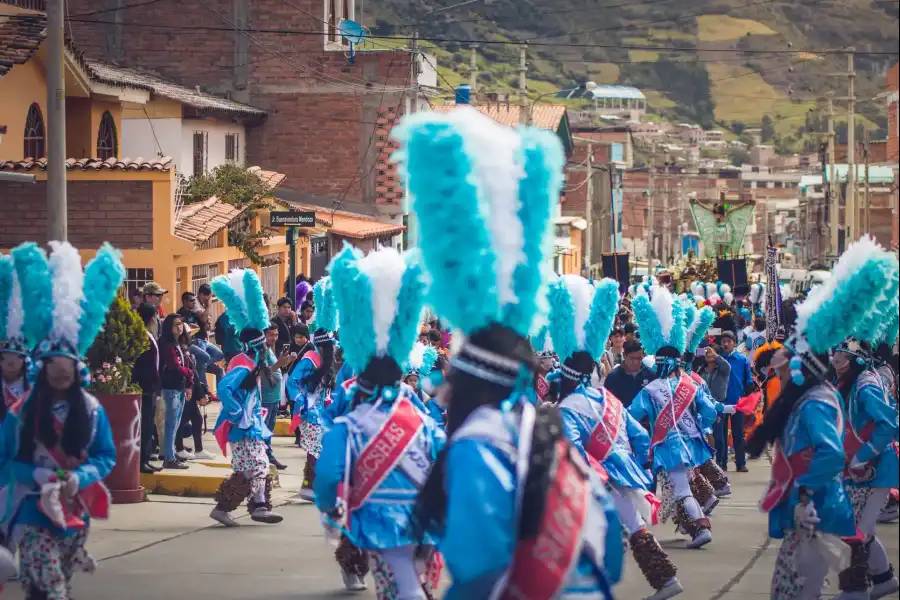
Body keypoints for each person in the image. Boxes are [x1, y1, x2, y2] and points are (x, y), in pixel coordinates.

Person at [396, 106, 623, 599]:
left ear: (473, 380)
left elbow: (475, 561)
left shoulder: (479, 442)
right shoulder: (542, 424)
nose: (444, 384)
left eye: (452, 374)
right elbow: (607, 537)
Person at [317, 245, 445, 597]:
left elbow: (329, 476)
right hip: (427, 524)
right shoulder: (421, 415)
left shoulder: (353, 424)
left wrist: (331, 510)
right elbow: (445, 458)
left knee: (400, 591)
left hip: (382, 526)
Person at [1, 241, 124, 599]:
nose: (59, 373)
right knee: (52, 587)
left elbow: (105, 457)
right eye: (52, 367)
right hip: (29, 508)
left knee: (55, 585)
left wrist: (79, 476)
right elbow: (4, 460)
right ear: (41, 370)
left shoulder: (91, 410)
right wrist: (34, 474)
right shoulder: (20, 411)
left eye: (65, 367)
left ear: (77, 371)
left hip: (74, 509)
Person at [550, 275, 682, 600]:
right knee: (632, 524)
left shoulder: (568, 407)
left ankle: (602, 586)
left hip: (598, 480)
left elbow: (571, 452)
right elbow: (638, 435)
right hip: (621, 469)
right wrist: (641, 464)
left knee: (596, 532)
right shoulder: (604, 397)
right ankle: (662, 579)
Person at [628, 285, 736, 549]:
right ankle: (700, 510)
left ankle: (700, 526)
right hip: (691, 444)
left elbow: (631, 414)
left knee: (681, 490)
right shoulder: (690, 383)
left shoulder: (650, 390)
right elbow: (710, 409)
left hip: (669, 447)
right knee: (684, 485)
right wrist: (704, 423)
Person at [208, 269, 284, 527]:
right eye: (262, 345)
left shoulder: (251, 364)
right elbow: (225, 390)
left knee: (246, 469)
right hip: (243, 427)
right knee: (259, 464)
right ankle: (260, 507)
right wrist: (238, 414)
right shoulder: (241, 365)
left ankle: (224, 508)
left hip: (252, 425)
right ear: (254, 346)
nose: (266, 348)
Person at [832, 338, 899, 598]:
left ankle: (856, 588)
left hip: (878, 468)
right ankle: (884, 580)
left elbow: (888, 425)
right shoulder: (848, 385)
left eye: (840, 362)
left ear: (854, 362)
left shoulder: (865, 387)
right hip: (856, 468)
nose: (835, 366)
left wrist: (863, 455)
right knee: (858, 527)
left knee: (857, 530)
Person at [286, 278, 337, 502]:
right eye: (330, 348)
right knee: (315, 448)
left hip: (322, 411)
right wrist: (302, 402)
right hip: (309, 410)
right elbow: (291, 382)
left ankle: (311, 485)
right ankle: (309, 485)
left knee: (321, 448)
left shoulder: (329, 364)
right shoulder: (309, 359)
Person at [158, 314, 194, 470]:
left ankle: (171, 455)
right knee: (170, 425)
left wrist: (188, 384)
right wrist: (189, 373)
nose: (179, 327)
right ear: (168, 327)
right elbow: (173, 365)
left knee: (175, 424)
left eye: (181, 323)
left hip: (179, 386)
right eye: (176, 325)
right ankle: (169, 458)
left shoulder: (178, 342)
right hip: (170, 387)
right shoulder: (166, 344)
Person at [716, 331, 754, 472]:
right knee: (721, 435)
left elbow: (748, 380)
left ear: (735, 343)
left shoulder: (742, 360)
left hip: (737, 402)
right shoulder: (718, 360)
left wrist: (747, 394)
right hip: (721, 402)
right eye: (723, 341)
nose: (726, 344)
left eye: (729, 341)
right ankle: (722, 463)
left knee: (738, 434)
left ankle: (741, 463)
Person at [133, 303, 162, 474]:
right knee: (144, 426)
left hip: (151, 386)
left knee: (149, 425)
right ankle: (141, 461)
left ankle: (145, 458)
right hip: (145, 387)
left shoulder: (148, 334)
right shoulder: (142, 336)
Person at [261, 321, 294, 471]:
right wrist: (279, 363)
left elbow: (277, 369)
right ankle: (265, 456)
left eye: (276, 335)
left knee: (269, 428)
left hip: (274, 396)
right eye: (271, 335)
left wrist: (286, 361)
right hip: (266, 397)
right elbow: (263, 371)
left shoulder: (270, 349)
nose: (274, 338)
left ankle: (269, 454)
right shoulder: (261, 350)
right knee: (264, 429)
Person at [178, 291, 225, 388]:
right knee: (206, 357)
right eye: (191, 301)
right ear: (184, 301)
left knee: (220, 355)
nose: (194, 303)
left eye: (194, 300)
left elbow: (203, 323)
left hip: (200, 340)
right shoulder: (180, 315)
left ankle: (201, 365)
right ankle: (205, 390)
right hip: (190, 344)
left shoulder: (193, 313)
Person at [604, 339, 654, 407]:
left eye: (639, 358)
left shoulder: (650, 375)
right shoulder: (613, 377)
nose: (635, 362)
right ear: (624, 355)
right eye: (632, 358)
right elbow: (607, 402)